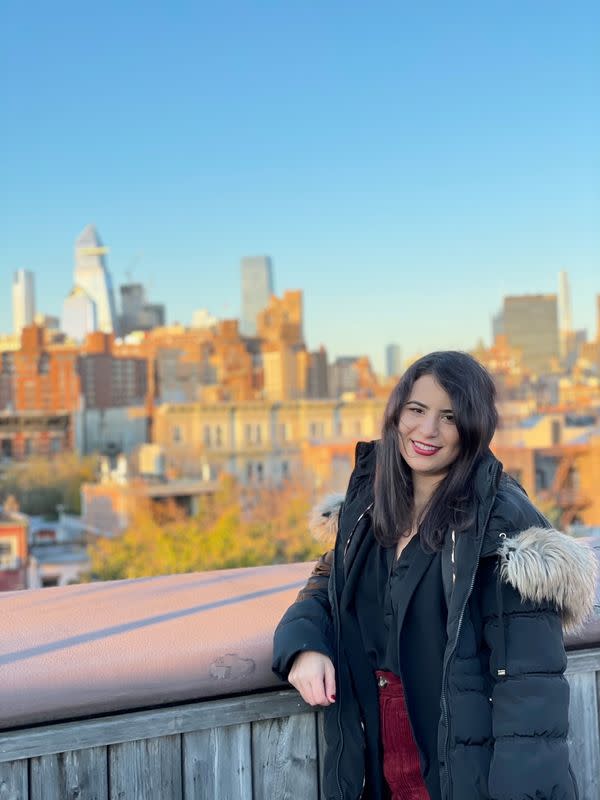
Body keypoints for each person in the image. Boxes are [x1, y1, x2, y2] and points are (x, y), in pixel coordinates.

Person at [272, 351, 598, 800]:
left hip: (459, 760)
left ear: (474, 428)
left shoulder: (500, 523)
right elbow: (328, 586)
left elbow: (529, 701)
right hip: (373, 754)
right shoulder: (370, 502)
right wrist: (303, 647)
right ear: (397, 412)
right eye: (417, 410)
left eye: (449, 416)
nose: (427, 431)